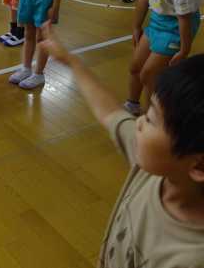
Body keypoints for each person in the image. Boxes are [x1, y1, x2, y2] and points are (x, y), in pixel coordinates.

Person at [40, 24, 204, 268]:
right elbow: (110, 113)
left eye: (151, 119)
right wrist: (71, 61)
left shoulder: (190, 259)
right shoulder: (157, 170)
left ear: (199, 166)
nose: (138, 122)